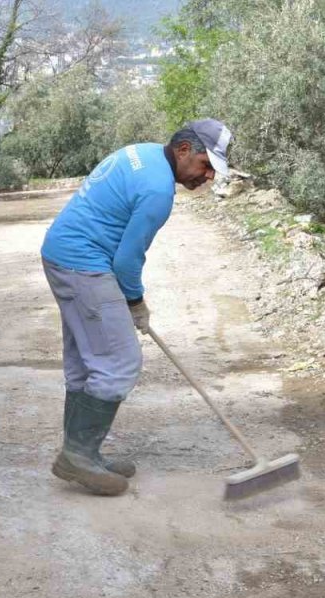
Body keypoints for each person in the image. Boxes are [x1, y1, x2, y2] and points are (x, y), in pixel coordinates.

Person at [39, 119, 234, 496]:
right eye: (206, 165)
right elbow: (128, 261)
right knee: (120, 362)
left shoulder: (144, 153)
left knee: (88, 359)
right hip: (83, 262)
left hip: (62, 253)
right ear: (183, 150)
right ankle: (77, 455)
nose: (208, 176)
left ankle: (83, 452)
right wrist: (135, 303)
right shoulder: (158, 190)